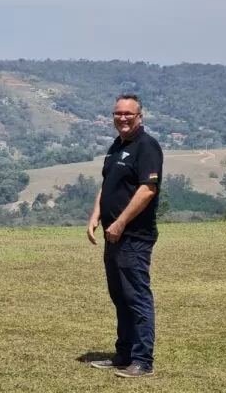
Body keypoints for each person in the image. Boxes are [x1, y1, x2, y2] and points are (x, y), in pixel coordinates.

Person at [86, 93, 163, 378]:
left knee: (136, 297)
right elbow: (108, 185)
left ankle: (143, 361)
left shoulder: (147, 147)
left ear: (139, 116)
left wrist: (119, 223)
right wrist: (96, 215)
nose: (122, 118)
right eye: (118, 114)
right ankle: (124, 353)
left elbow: (147, 190)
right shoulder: (117, 146)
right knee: (120, 296)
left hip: (134, 236)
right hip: (112, 236)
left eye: (128, 114)